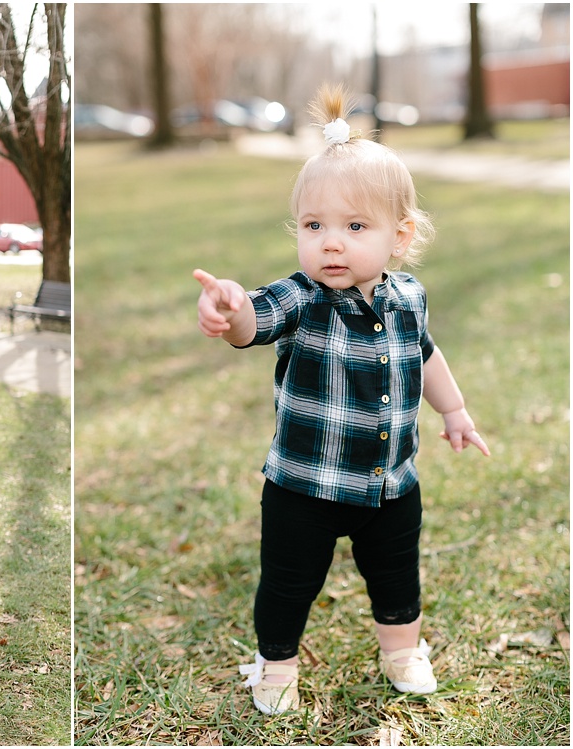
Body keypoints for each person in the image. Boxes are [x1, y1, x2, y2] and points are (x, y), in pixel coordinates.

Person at [194, 84, 491, 715]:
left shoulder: (409, 297)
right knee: (288, 582)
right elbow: (255, 322)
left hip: (391, 485)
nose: (331, 242)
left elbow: (427, 356)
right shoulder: (301, 297)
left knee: (396, 576)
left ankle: (403, 651)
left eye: (355, 227)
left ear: (400, 236)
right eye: (314, 225)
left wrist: (455, 411)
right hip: (305, 487)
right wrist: (233, 309)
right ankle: (275, 665)